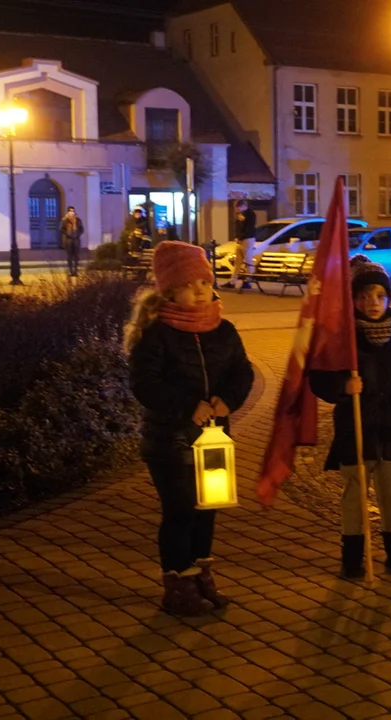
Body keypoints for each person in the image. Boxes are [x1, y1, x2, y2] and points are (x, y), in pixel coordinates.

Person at [125, 241, 254, 616]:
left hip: (214, 440)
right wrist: (188, 406)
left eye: (204, 282)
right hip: (170, 439)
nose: (200, 290)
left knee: (207, 509)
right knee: (180, 510)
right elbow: (145, 384)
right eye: (190, 283)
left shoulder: (223, 329)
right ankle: (177, 582)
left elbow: (242, 372)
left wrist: (229, 399)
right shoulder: (157, 335)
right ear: (169, 290)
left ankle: (202, 574)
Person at [309, 258, 391, 579]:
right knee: (354, 495)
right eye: (363, 296)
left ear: (389, 298)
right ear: (353, 300)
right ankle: (352, 557)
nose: (372, 303)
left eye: (379, 296)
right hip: (355, 429)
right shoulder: (343, 340)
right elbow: (318, 376)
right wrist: (342, 387)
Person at [224, 203, 256, 290]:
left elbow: (248, 228)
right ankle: (232, 281)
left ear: (243, 207)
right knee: (237, 261)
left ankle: (248, 280)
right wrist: (237, 237)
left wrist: (240, 237)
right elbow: (238, 227)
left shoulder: (249, 214)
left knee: (248, 260)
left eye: (238, 208)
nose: (236, 210)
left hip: (247, 239)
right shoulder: (240, 215)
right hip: (241, 240)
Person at [60, 206, 84, 277]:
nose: (72, 212)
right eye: (70, 211)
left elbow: (82, 229)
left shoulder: (78, 220)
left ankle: (75, 271)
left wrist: (78, 234)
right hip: (68, 240)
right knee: (69, 256)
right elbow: (61, 228)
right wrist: (67, 234)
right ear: (68, 212)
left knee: (76, 256)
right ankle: (70, 271)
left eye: (73, 211)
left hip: (76, 239)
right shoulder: (65, 220)